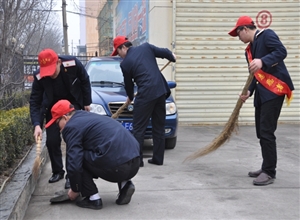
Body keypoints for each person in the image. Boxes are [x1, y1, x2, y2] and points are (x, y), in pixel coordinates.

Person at [228, 16, 294, 185]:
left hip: (274, 92)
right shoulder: (249, 50)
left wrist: (263, 60)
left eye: (238, 34)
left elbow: (282, 52)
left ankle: (269, 172)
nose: (239, 38)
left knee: (266, 132)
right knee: (261, 132)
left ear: (245, 29)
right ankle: (266, 165)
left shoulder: (267, 35)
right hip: (261, 95)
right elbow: (255, 76)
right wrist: (248, 91)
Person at [46, 100, 140, 210]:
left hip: (117, 168)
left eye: (57, 124)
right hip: (135, 161)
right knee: (111, 150)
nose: (59, 129)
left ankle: (93, 198)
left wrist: (75, 189)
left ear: (65, 117)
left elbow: (74, 164)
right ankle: (125, 185)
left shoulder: (71, 127)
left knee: (78, 157)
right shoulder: (87, 116)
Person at [29, 48, 92, 189]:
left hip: (72, 105)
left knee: (73, 139)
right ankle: (58, 171)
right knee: (52, 140)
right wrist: (37, 124)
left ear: (58, 62)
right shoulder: (39, 76)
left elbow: (84, 80)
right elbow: (35, 101)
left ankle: (72, 174)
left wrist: (87, 102)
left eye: (52, 70)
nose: (50, 75)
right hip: (52, 109)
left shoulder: (72, 64)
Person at [111, 36, 176, 167]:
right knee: (158, 127)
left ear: (123, 47)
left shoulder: (125, 63)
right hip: (160, 91)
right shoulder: (146, 47)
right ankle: (158, 159)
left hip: (146, 94)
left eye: (118, 52)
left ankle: (137, 161)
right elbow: (164, 52)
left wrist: (130, 97)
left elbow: (128, 85)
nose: (119, 55)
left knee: (138, 129)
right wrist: (171, 56)